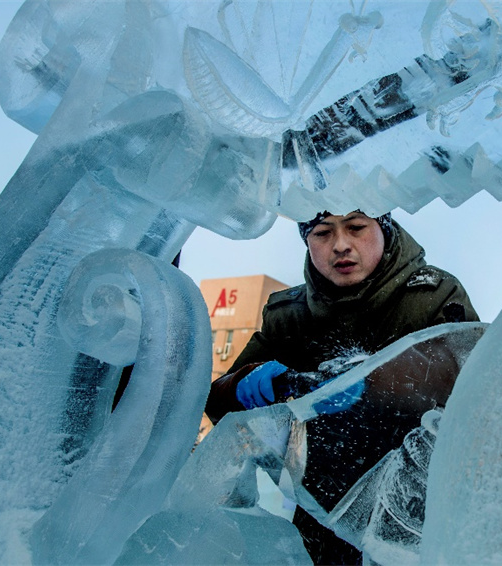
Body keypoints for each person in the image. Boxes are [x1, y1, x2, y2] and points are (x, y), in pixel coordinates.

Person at [205, 210, 479, 565]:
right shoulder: (289, 314)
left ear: (384, 228)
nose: (341, 245)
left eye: (356, 227)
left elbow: (464, 383)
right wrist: (245, 382)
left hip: (410, 511)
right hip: (318, 515)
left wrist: (370, 380)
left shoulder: (433, 294)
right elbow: (220, 408)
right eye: (322, 233)